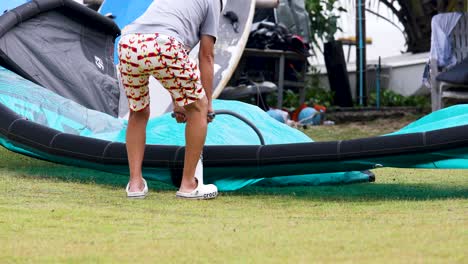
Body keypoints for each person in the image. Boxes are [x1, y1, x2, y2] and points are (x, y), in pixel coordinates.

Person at [118, 0, 227, 199]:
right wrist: (207, 104)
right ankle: (188, 185)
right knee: (198, 108)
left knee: (138, 111)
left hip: (129, 42)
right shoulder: (213, 2)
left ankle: (135, 185)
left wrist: (179, 102)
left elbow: (170, 60)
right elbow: (206, 55)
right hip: (165, 44)